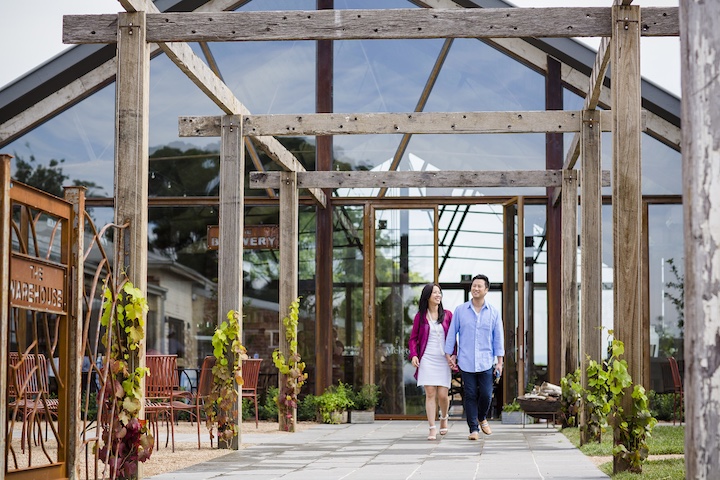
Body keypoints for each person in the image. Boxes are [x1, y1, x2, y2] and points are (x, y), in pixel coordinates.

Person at [445, 274, 504, 440]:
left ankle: (482, 417)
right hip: (466, 361)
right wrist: (449, 355)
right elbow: (452, 334)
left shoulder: (493, 313)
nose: (475, 288)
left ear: (486, 290)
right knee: (470, 395)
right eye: (474, 286)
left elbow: (498, 338)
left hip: (486, 361)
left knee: (486, 394)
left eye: (479, 286)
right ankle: (473, 429)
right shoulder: (460, 310)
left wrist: (500, 362)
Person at [408, 283, 453, 440]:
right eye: (435, 293)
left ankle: (444, 418)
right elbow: (413, 339)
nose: (438, 295)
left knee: (442, 394)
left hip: (443, 359)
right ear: (427, 296)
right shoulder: (420, 317)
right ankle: (432, 427)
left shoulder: (448, 315)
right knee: (430, 393)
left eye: (439, 293)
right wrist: (414, 355)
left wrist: (454, 355)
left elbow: (453, 338)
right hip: (427, 358)